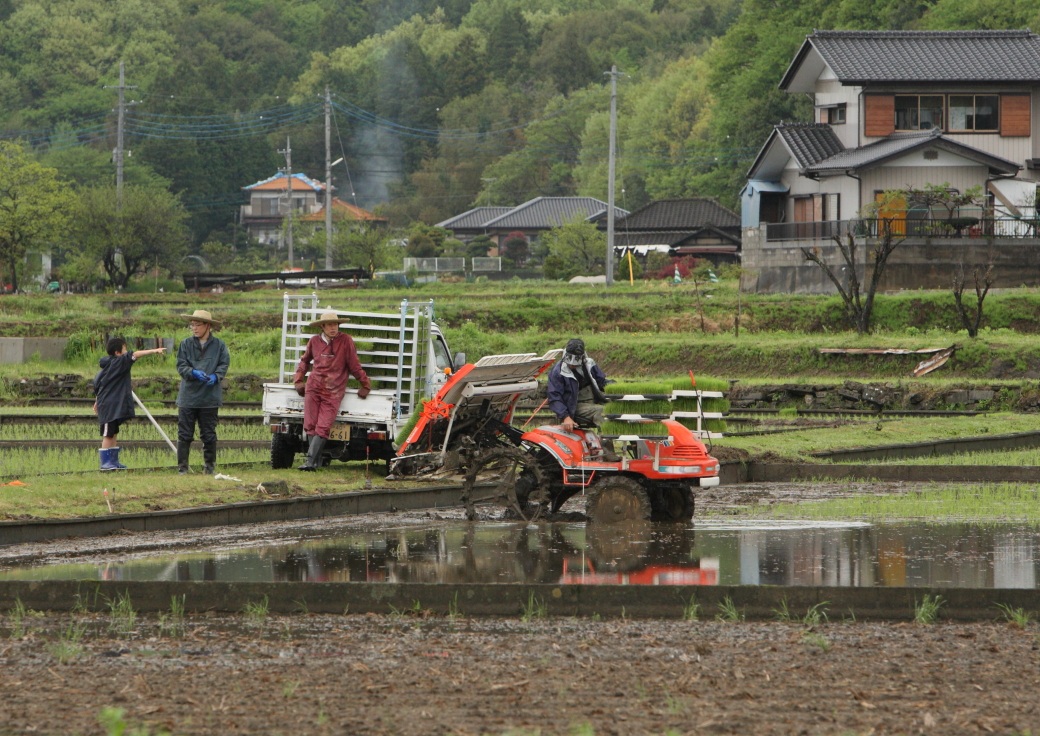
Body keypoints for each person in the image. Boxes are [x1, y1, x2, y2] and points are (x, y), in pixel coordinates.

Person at [293, 310, 371, 471]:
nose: (333, 328)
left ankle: (310, 461)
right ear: (322, 326)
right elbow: (304, 361)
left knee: (323, 425)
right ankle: (313, 462)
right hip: (313, 387)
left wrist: (365, 384)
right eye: (329, 325)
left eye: (335, 324)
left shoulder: (346, 341)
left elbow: (354, 365)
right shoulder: (314, 341)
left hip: (333, 390)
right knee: (310, 424)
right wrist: (298, 380)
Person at [92, 337, 167, 471]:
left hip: (110, 403)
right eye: (125, 349)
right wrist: (155, 350)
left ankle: (113, 461)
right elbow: (135, 354)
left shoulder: (110, 365)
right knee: (108, 433)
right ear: (117, 352)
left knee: (114, 431)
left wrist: (97, 401)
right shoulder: (119, 362)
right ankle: (105, 463)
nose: (127, 352)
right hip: (109, 405)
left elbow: (100, 385)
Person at [175, 309, 230, 475]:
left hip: (209, 397)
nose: (194, 328)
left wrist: (216, 376)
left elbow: (223, 364)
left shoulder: (219, 345)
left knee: (209, 434)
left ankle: (209, 467)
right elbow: (181, 365)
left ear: (208, 326)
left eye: (198, 324)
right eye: (192, 324)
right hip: (188, 397)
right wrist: (193, 373)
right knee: (184, 434)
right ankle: (182, 469)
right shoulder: (185, 344)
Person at [546, 338, 610, 433]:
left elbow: (601, 381)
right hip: (574, 405)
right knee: (603, 411)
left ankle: (635, 444)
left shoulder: (589, 364)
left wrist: (614, 387)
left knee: (620, 410)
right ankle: (606, 446)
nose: (572, 365)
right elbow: (554, 397)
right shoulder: (558, 372)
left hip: (593, 400)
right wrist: (565, 417)